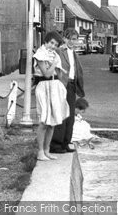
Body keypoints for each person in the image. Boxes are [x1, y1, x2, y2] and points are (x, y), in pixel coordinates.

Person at [33, 31, 69, 161]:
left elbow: (57, 73)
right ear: (46, 41)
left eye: (56, 44)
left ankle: (47, 150)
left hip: (54, 86)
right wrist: (54, 64)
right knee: (44, 121)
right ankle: (40, 151)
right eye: (51, 43)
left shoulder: (54, 55)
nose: (53, 46)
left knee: (52, 122)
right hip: (43, 86)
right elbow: (46, 74)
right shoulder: (40, 54)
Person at [50, 28, 85, 153]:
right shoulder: (59, 51)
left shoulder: (74, 53)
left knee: (70, 116)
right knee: (61, 114)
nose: (73, 42)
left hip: (71, 86)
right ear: (65, 39)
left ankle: (65, 142)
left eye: (75, 39)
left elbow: (76, 70)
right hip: (61, 86)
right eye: (70, 39)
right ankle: (55, 144)